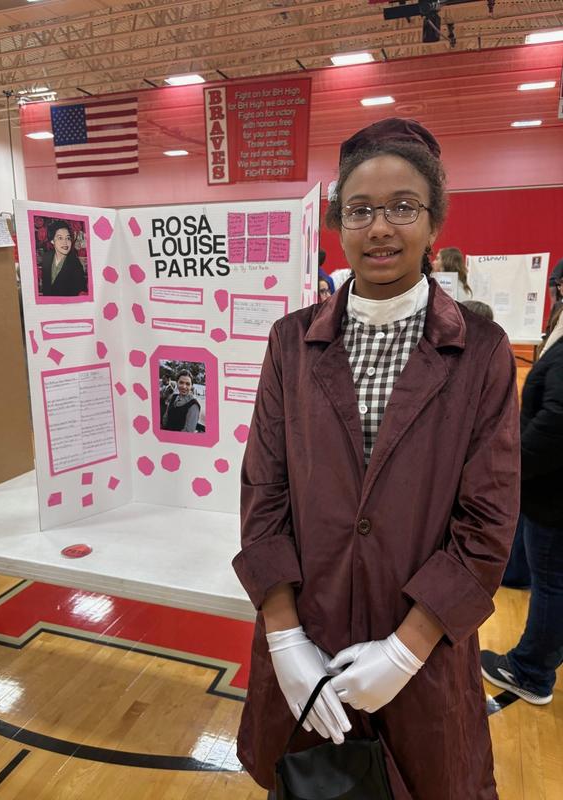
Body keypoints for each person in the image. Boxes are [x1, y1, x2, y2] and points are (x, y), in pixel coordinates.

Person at [232, 117, 520, 800]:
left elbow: (488, 519)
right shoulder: (291, 343)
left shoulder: (479, 351)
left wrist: (406, 649)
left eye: (402, 207)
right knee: (308, 785)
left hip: (420, 652)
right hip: (310, 639)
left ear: (433, 223)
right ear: (338, 225)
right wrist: (283, 639)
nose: (380, 227)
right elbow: (262, 491)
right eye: (360, 210)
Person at [481, 326, 563, 705]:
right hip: (545, 492)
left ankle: (530, 672)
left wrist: (509, 465)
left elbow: (555, 424)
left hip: (551, 496)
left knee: (551, 585)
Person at [40, 220, 87, 296]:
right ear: (52, 240)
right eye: (60, 238)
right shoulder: (46, 257)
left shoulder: (74, 263)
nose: (65, 242)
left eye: (68, 238)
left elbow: (81, 291)